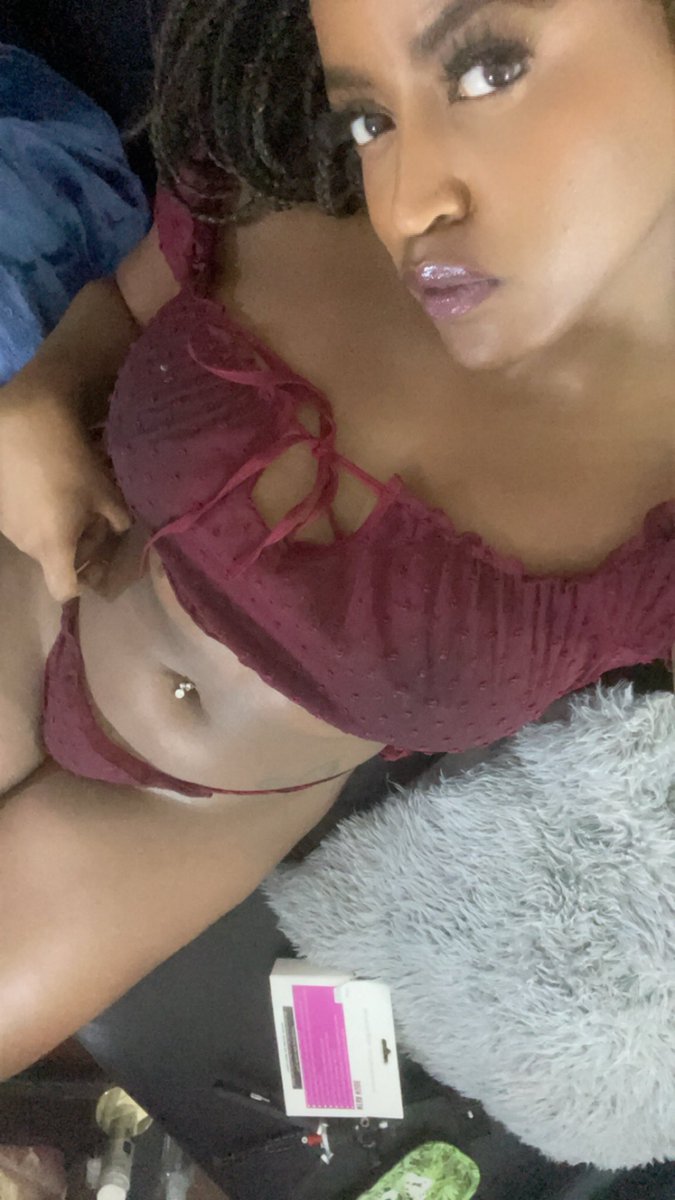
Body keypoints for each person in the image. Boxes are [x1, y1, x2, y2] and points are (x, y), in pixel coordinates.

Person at [1, 0, 674, 1077]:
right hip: (48, 587)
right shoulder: (295, 161)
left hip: (180, 815)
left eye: (488, 69)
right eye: (372, 117)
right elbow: (121, 311)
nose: (408, 200)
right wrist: (39, 396)